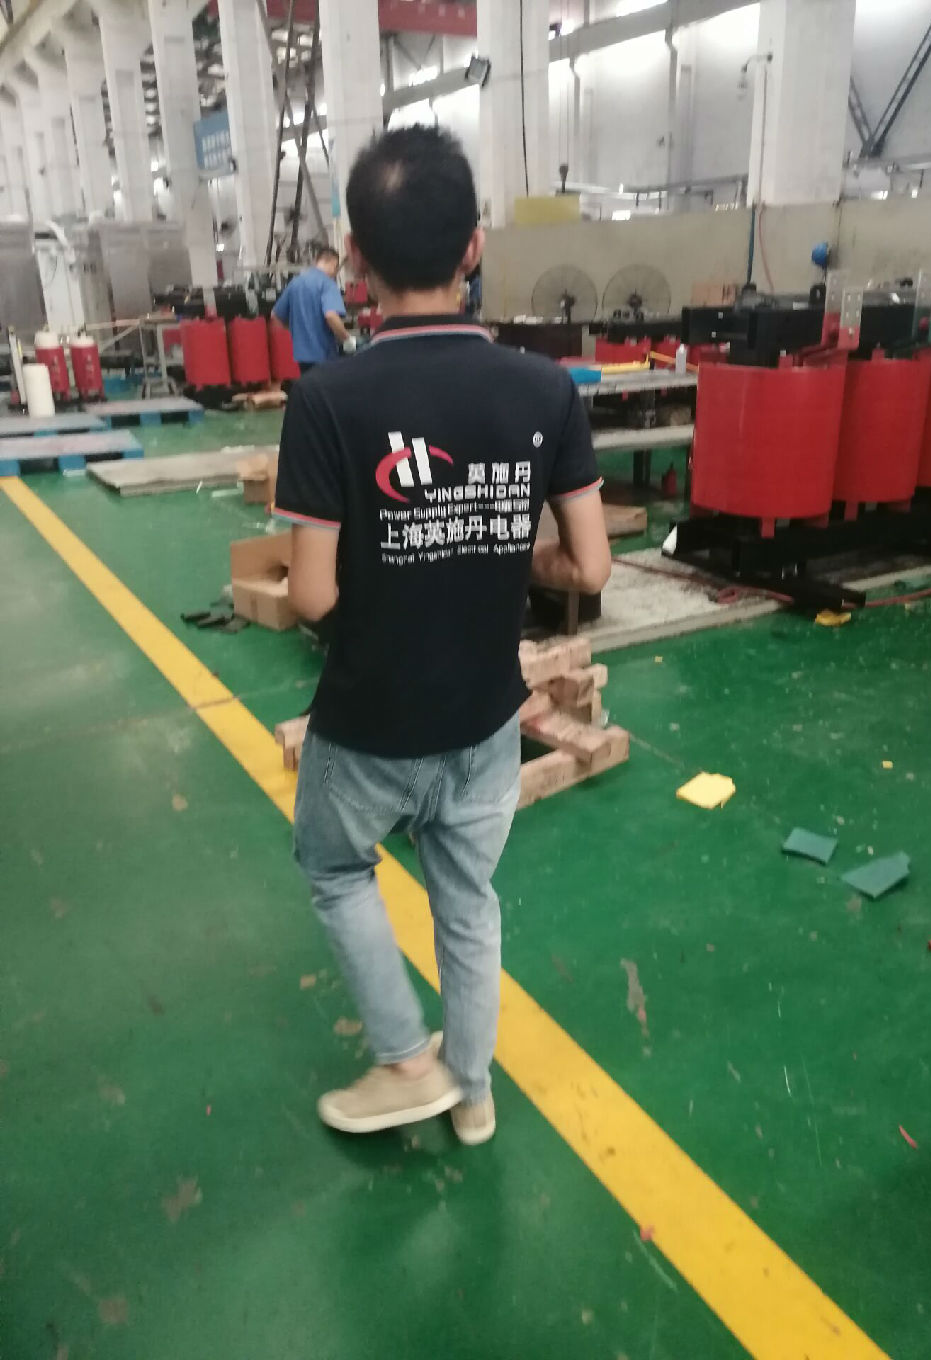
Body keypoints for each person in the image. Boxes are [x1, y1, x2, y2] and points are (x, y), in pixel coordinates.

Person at [273, 126, 611, 1146]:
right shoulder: (545, 390)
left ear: (356, 259)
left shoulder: (325, 401)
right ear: (473, 247)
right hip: (484, 719)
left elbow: (310, 595)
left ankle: (404, 1059)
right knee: (467, 900)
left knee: (337, 866)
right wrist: (498, 554)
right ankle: (473, 1091)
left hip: (369, 719)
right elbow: (591, 568)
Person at [272, 245, 352, 373]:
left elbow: (275, 316)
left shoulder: (295, 283)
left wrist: (296, 332)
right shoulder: (327, 284)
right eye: (336, 268)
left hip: (301, 358)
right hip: (324, 358)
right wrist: (347, 339)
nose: (335, 273)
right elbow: (331, 316)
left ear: (317, 261)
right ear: (333, 264)